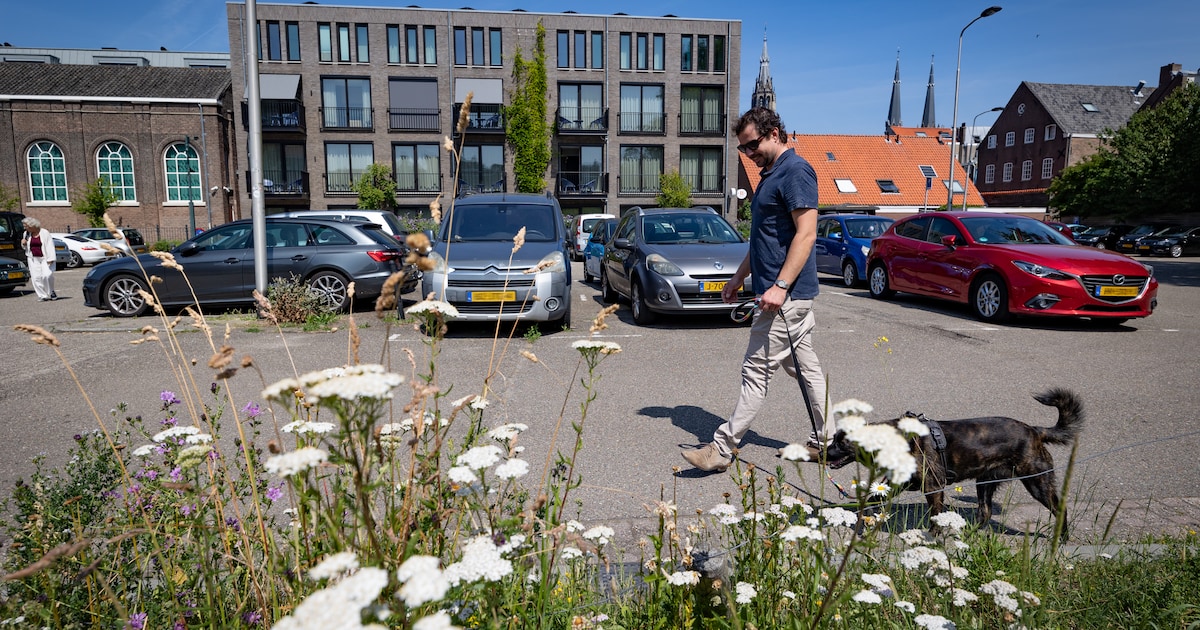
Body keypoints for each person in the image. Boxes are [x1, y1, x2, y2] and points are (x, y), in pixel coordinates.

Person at [682, 107, 830, 472]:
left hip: (785, 299)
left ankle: (722, 448)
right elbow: (763, 241)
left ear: (775, 133)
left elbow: (806, 234)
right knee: (805, 369)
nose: (749, 154)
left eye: (753, 145)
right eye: (744, 149)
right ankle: (829, 442)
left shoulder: (796, 172)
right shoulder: (770, 176)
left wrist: (780, 286)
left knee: (755, 370)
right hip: (780, 294)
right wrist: (737, 278)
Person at [20, 216, 57, 301]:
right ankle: (42, 295)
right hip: (33, 258)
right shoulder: (26, 234)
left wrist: (51, 258)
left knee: (47, 275)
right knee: (36, 277)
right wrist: (23, 244)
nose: (25, 228)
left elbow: (50, 245)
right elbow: (25, 248)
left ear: (32, 225)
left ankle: (51, 291)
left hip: (45, 257)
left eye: (26, 226)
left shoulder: (44, 232)